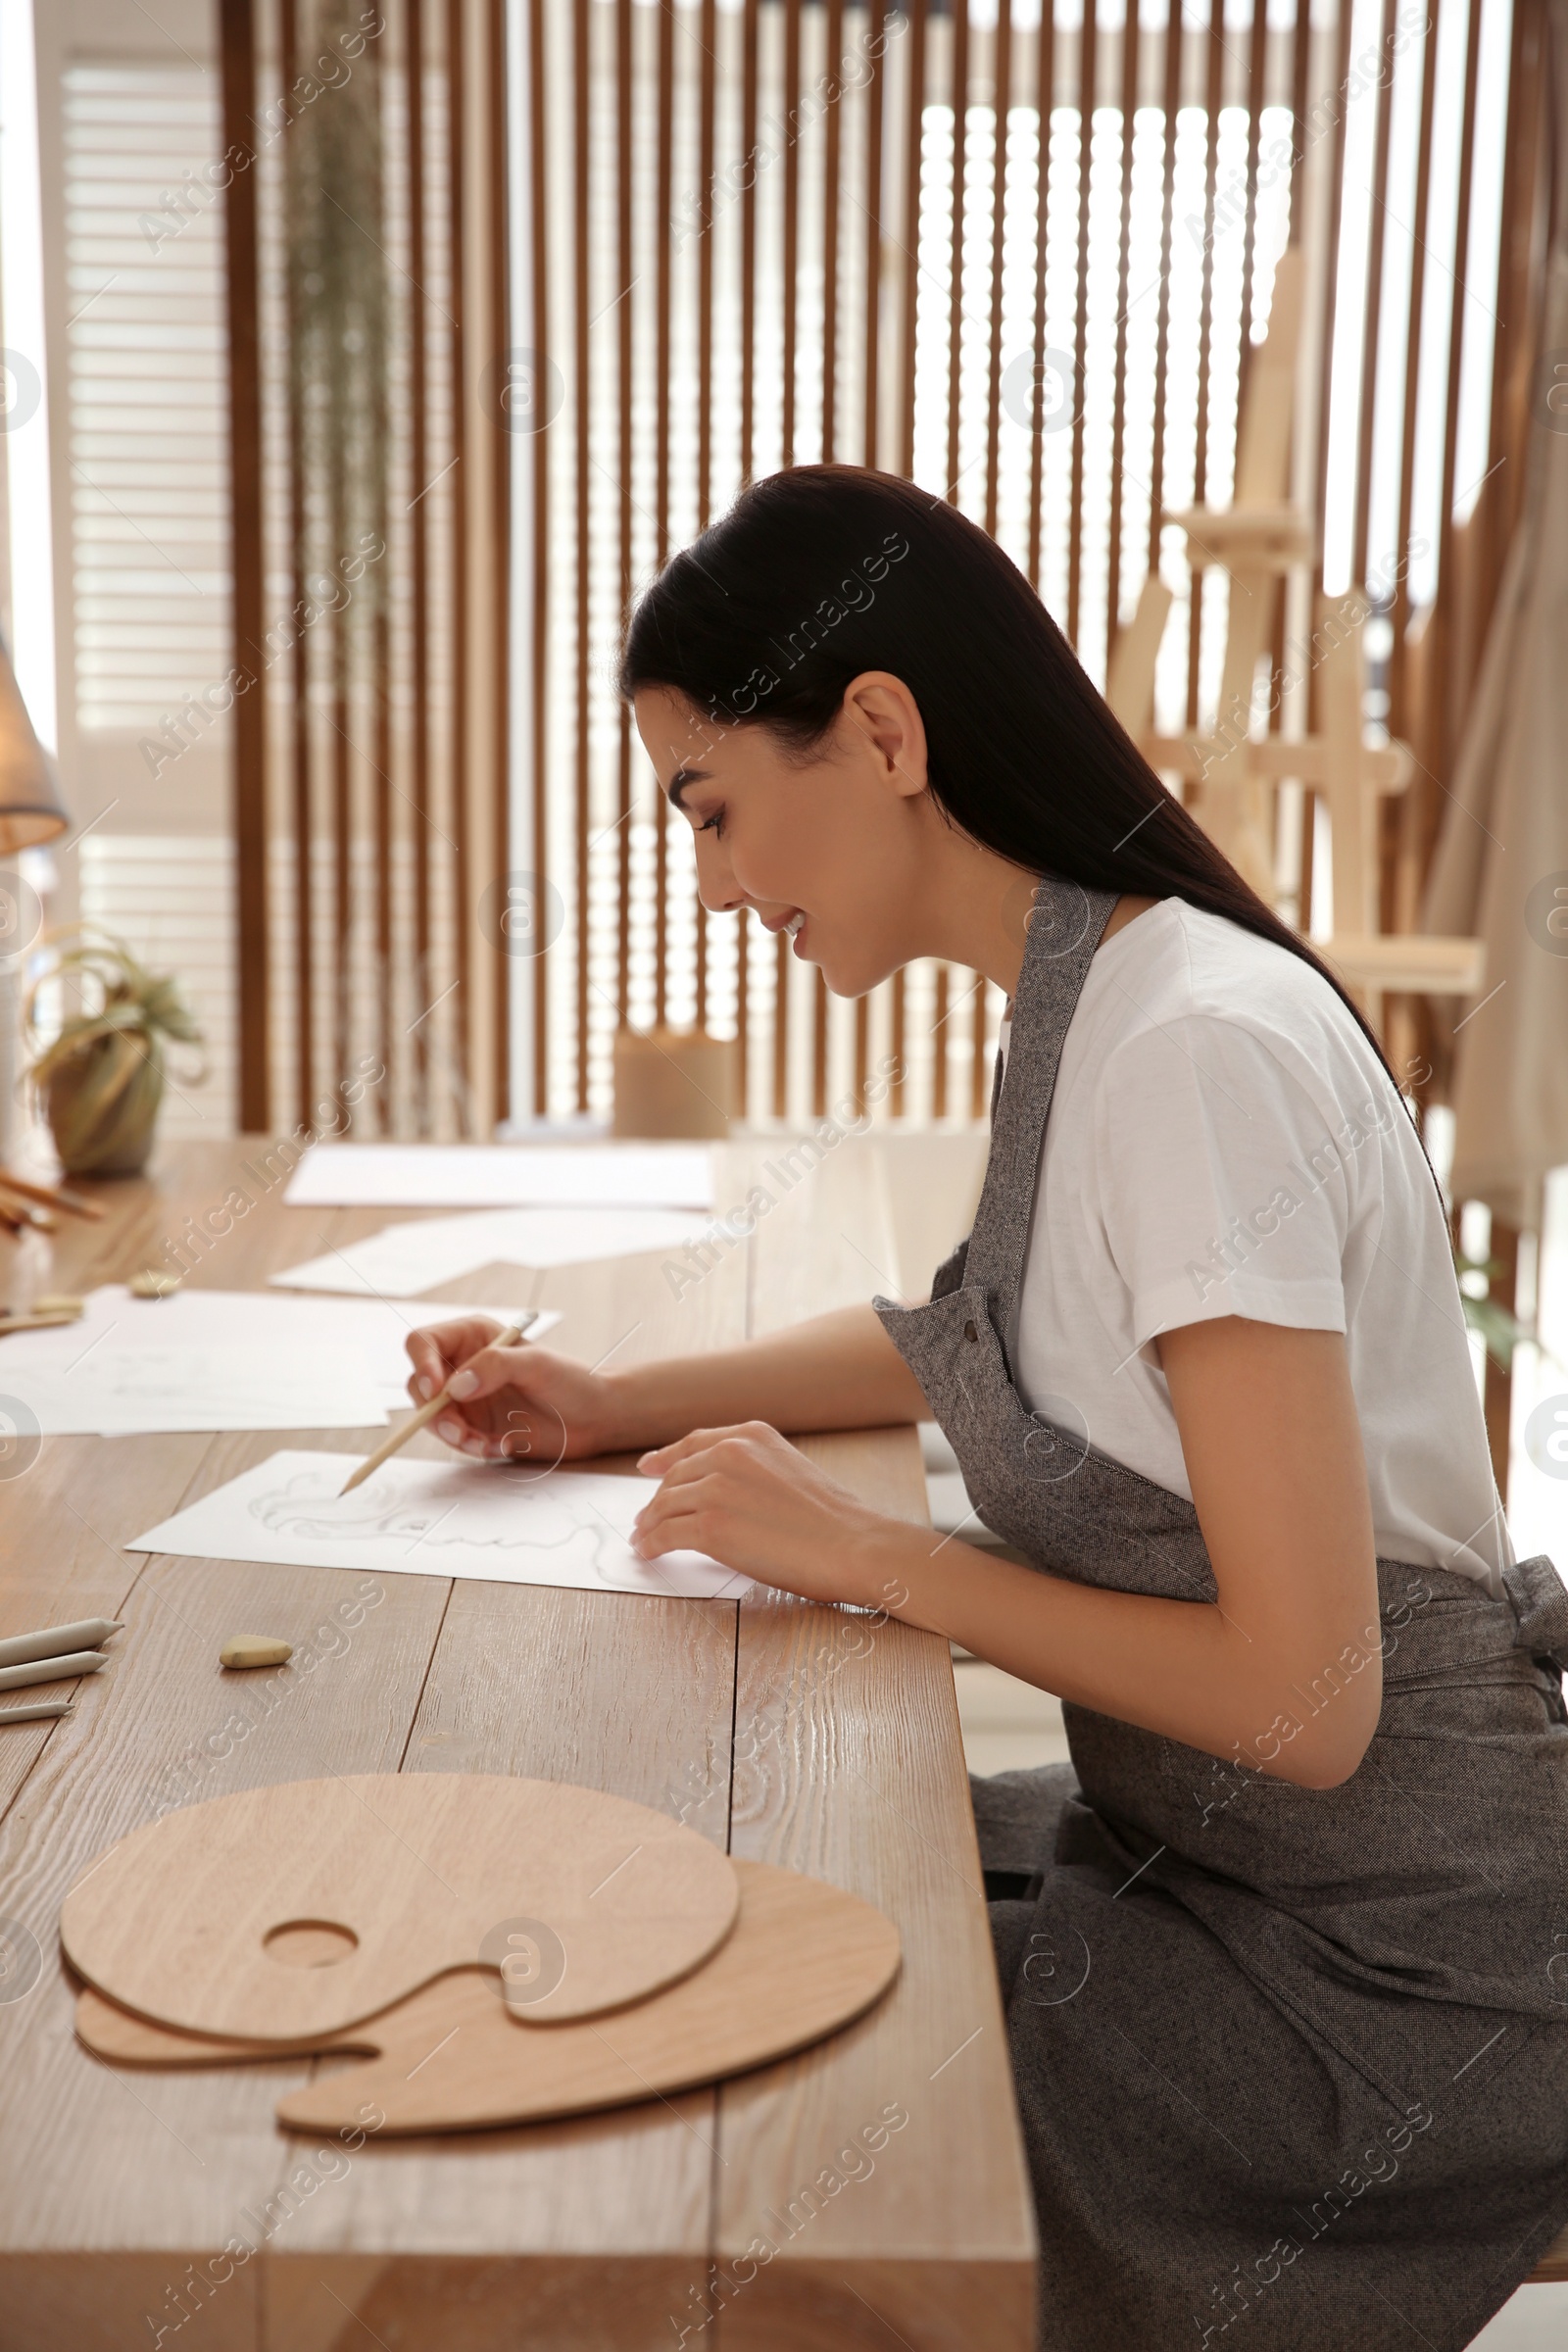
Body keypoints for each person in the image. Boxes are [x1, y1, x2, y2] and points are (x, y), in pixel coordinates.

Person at [407, 466, 1568, 2350]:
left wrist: (878, 1559)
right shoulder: (1093, 986)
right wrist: (606, 1404)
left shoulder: (1189, 1051)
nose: (710, 880)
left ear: (877, 730)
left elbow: (1309, 1698)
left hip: (1390, 1973)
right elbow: (986, 1335)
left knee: (778, 2133)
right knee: (764, 1921)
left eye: (711, 811)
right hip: (1225, 1863)